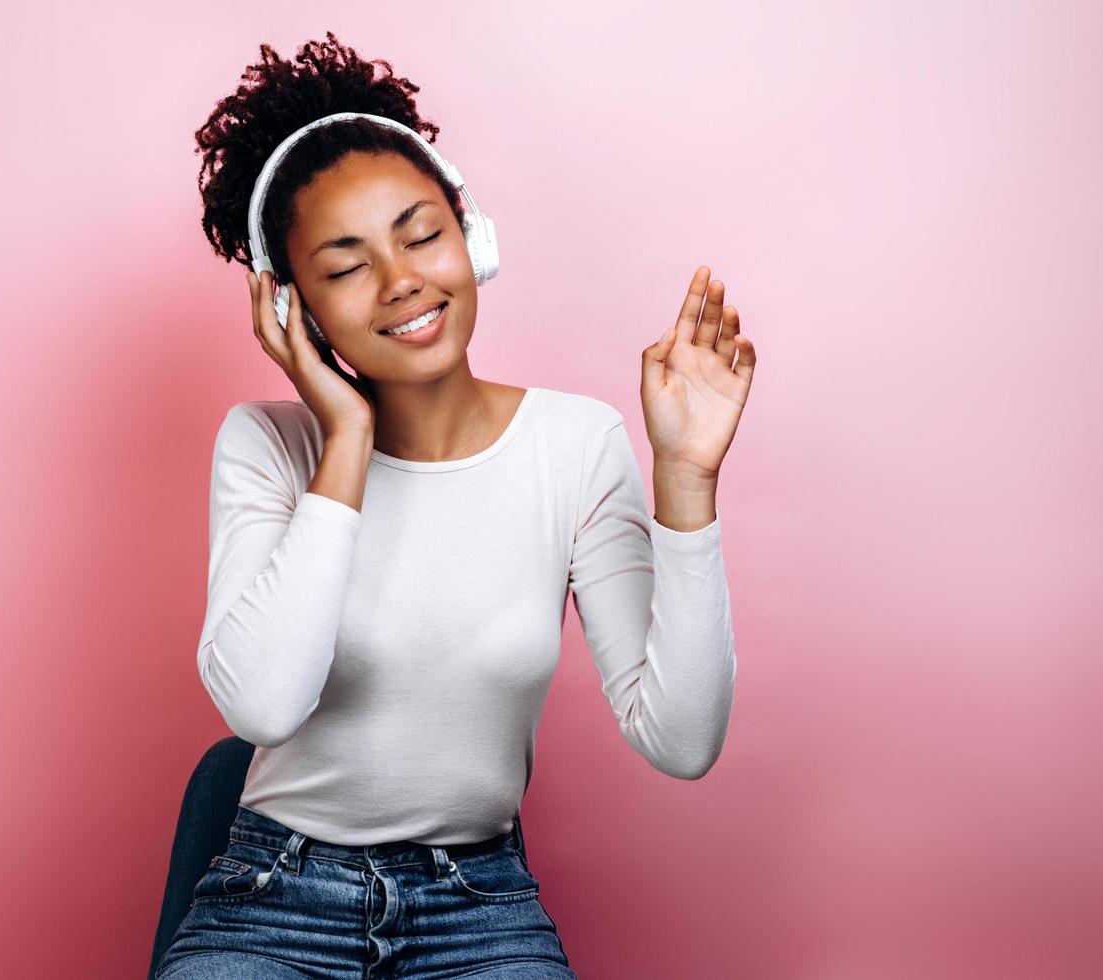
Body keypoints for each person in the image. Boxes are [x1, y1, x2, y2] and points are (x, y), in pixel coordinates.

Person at [156, 31, 757, 980]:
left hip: (475, 907)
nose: (400, 281)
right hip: (273, 901)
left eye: (421, 233)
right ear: (294, 308)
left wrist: (685, 480)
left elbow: (680, 741)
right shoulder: (270, 444)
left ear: (470, 237)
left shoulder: (575, 445)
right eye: (346, 266)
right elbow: (263, 703)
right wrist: (344, 438)